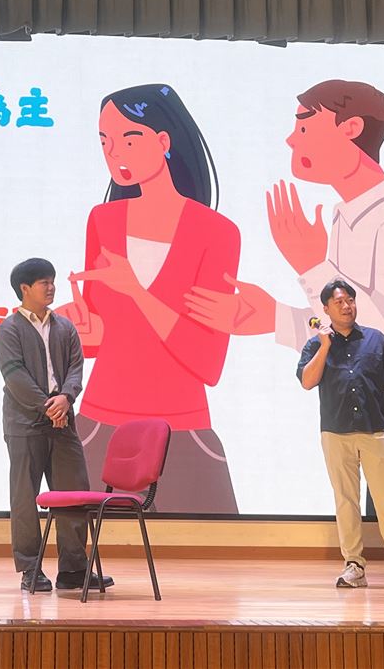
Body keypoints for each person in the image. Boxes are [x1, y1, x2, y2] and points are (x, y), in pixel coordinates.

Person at [186, 79, 384, 516]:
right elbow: (347, 328)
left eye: (303, 126)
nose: (290, 139)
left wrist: (310, 266)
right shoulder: (346, 215)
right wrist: (273, 316)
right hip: (362, 408)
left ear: (351, 128)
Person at [56, 84, 242, 512]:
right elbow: (102, 340)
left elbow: (207, 360)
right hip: (99, 426)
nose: (114, 153)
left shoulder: (217, 233)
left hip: (183, 432)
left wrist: (137, 293)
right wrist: (77, 330)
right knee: (85, 543)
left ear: (163, 140)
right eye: (104, 141)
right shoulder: (103, 220)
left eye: (129, 139)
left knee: (208, 550)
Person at [297, 280, 384, 590]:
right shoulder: (316, 345)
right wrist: (325, 345)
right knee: (346, 502)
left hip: (376, 432)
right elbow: (307, 381)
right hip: (336, 433)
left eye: (350, 300)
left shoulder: (375, 339)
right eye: (339, 302)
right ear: (326, 308)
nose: (347, 306)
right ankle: (354, 566)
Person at [0, 257, 113, 593]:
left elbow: (76, 368)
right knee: (24, 497)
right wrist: (49, 407)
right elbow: (15, 378)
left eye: (52, 281)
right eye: (44, 282)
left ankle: (73, 570)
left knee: (74, 496)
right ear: (25, 288)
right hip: (25, 424)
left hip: (63, 424)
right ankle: (30, 570)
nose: (51, 287)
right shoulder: (9, 330)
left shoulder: (65, 327)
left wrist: (66, 398)